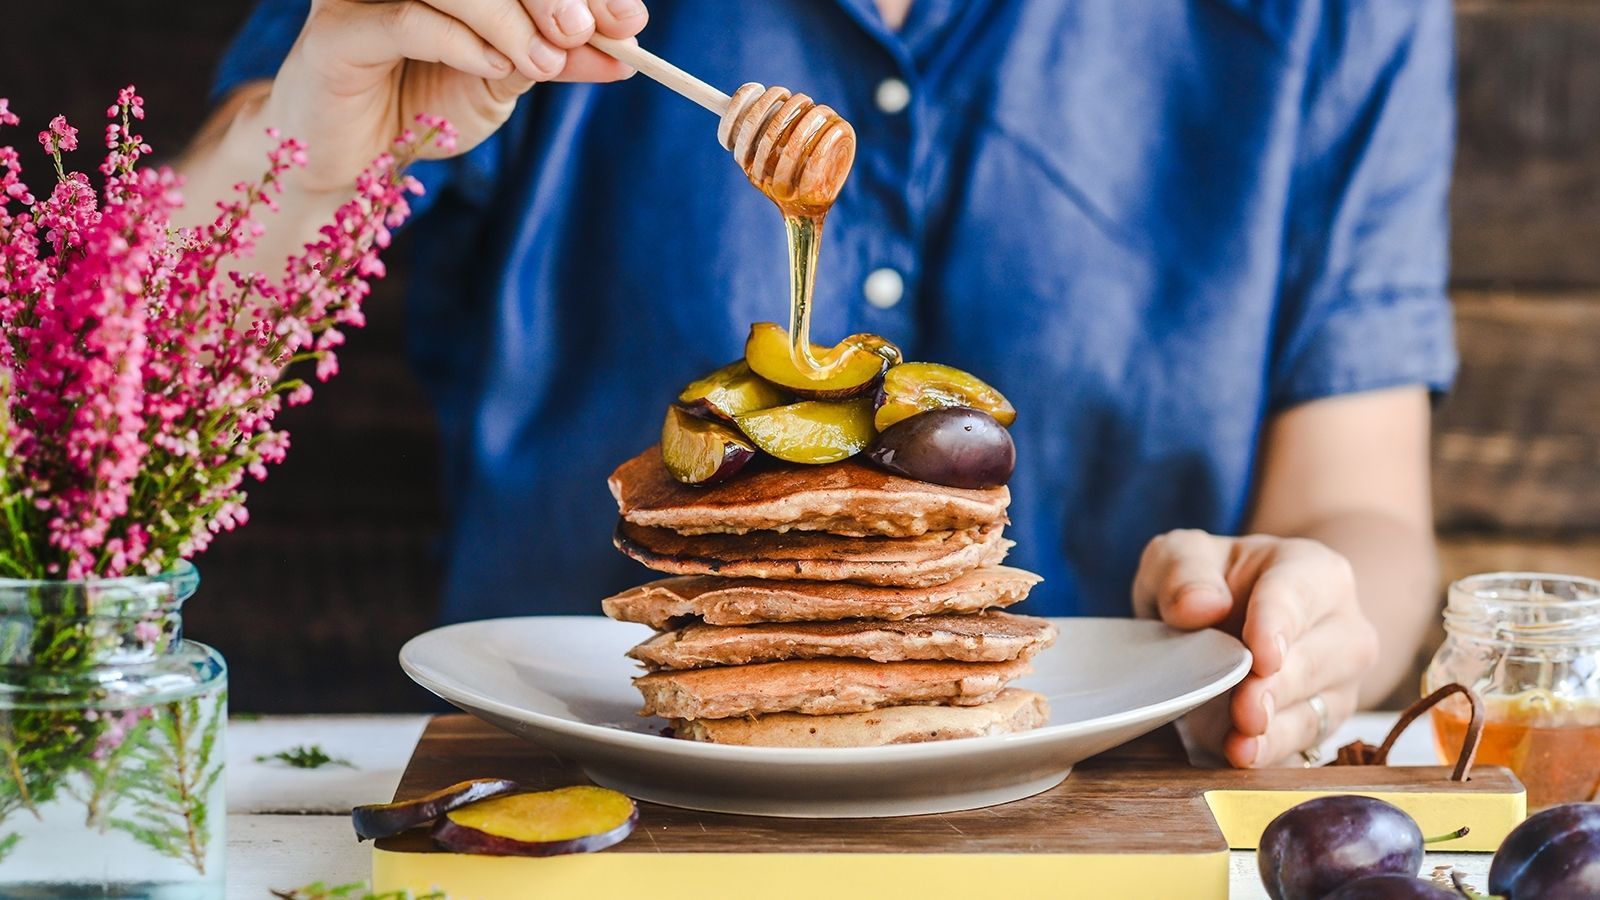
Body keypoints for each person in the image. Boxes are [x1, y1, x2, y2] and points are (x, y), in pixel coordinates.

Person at [178, 0, 1456, 768]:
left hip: (1100, 822)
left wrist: (1298, 625)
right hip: (574, 816)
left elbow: (1366, 516)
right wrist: (302, 153)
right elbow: (143, 357)